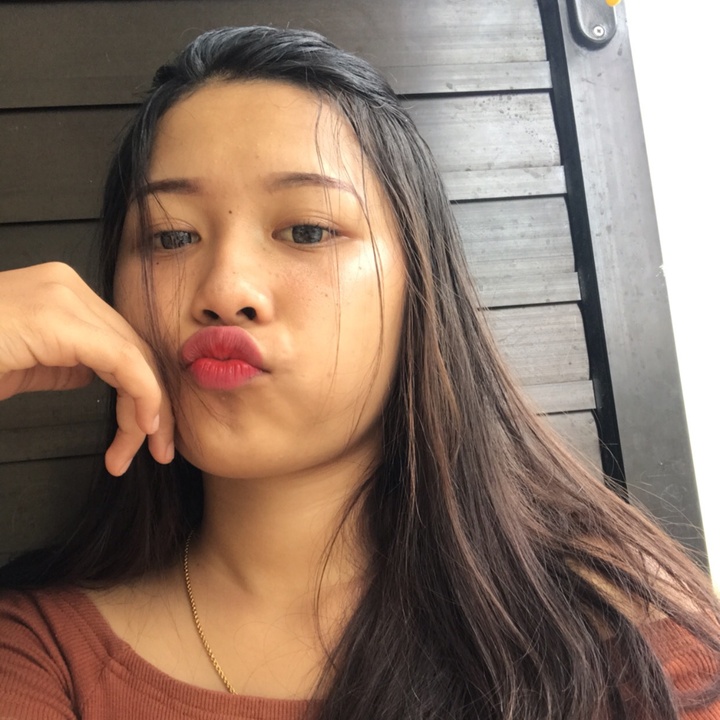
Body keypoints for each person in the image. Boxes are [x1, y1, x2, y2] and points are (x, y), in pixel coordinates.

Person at [0, 25, 718, 720]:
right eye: (171, 236)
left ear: (418, 287)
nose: (224, 288)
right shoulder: (37, 650)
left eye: (308, 230)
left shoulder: (629, 643)